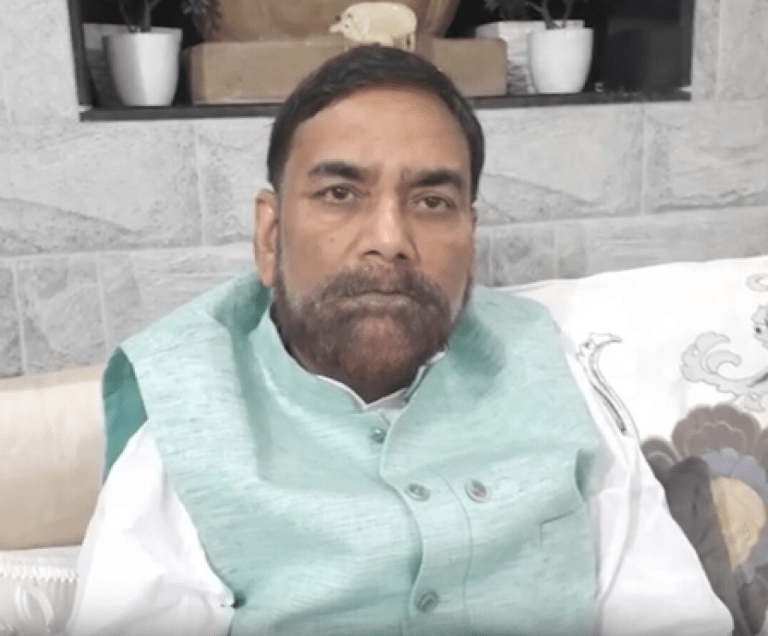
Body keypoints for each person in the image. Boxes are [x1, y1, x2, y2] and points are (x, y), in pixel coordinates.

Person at [67, 45, 732, 636]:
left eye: (432, 202)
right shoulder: (188, 418)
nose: (389, 239)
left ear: (470, 237)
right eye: (340, 193)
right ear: (270, 235)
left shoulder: (553, 372)